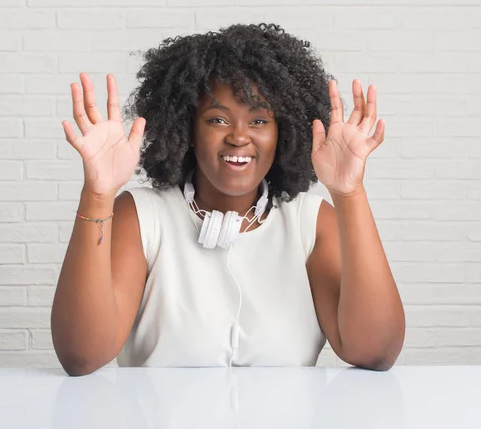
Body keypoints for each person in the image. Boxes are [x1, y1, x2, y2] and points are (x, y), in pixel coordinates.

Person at [51, 23, 406, 376]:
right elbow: (82, 356)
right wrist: (98, 195)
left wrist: (349, 193)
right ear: (188, 129)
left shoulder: (309, 222)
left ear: (282, 132)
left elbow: (374, 351)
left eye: (259, 121)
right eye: (218, 119)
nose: (239, 137)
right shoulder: (143, 216)